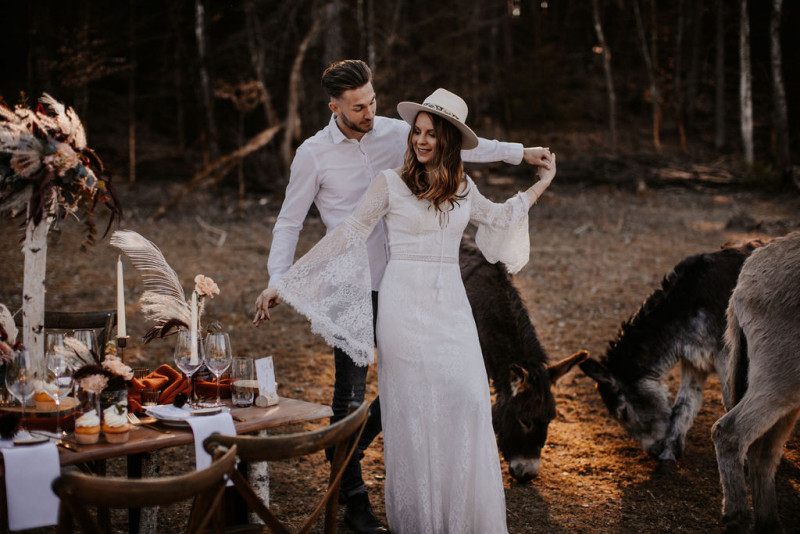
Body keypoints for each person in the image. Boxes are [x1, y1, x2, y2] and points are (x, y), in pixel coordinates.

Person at [254, 60, 551, 534]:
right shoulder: (313, 154)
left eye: (372, 100)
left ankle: (404, 465)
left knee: (418, 391)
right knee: (350, 395)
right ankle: (352, 499)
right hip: (353, 287)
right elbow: (291, 223)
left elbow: (463, 148)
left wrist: (522, 154)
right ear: (335, 108)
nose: (370, 111)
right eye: (359, 107)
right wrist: (280, 278)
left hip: (408, 285)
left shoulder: (399, 131)